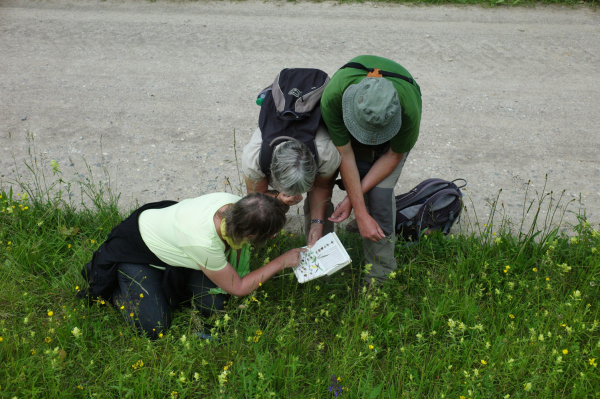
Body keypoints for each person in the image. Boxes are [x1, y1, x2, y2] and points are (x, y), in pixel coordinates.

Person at [78, 192, 306, 339]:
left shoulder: (237, 206)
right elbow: (239, 287)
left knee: (214, 305)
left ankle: (165, 282)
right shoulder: (204, 242)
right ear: (249, 233)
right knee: (154, 328)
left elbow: (263, 207)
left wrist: (278, 201)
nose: (274, 236)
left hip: (174, 244)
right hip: (136, 253)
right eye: (269, 235)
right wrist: (281, 261)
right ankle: (119, 282)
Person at [321, 55, 422, 285]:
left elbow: (392, 155)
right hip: (349, 116)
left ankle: (379, 278)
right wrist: (359, 210)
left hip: (396, 125)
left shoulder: (409, 111)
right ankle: (325, 265)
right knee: (360, 168)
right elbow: (345, 156)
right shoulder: (334, 98)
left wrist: (353, 204)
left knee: (380, 196)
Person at [242, 119, 341, 248]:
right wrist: (277, 199)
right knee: (263, 210)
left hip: (318, 145)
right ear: (272, 174)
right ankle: (258, 243)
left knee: (322, 208)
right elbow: (256, 199)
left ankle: (322, 246)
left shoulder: (327, 154)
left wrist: (317, 224)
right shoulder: (254, 159)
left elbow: (322, 187)